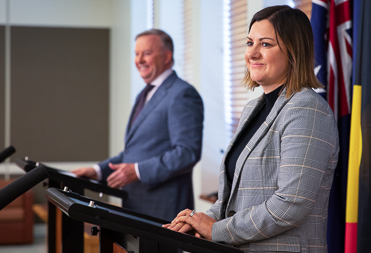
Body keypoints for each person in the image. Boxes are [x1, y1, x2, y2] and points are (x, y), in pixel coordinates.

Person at [164, 5, 339, 253]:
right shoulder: (252, 109)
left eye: (266, 44)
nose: (252, 53)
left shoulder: (307, 110)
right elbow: (235, 198)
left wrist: (215, 230)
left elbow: (290, 205)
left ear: (293, 50)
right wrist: (197, 221)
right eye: (249, 43)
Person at [72, 29, 204, 221]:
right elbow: (135, 152)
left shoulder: (182, 94)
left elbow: (186, 153)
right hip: (136, 206)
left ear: (167, 56)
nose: (139, 60)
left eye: (147, 53)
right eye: (136, 54)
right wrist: (98, 170)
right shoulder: (144, 94)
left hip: (164, 211)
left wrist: (137, 171)